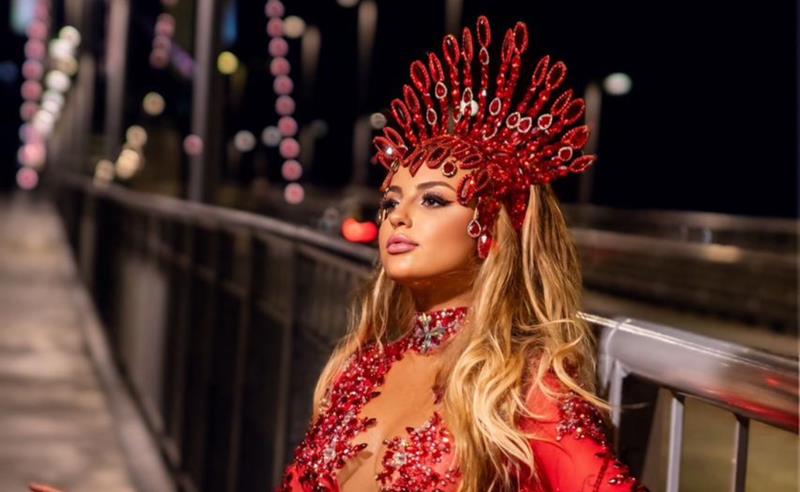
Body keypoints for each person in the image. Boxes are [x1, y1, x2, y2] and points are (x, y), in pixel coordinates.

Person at [279, 16, 648, 492]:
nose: (398, 217)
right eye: (390, 202)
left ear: (492, 228)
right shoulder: (358, 365)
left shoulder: (519, 386)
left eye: (433, 200)